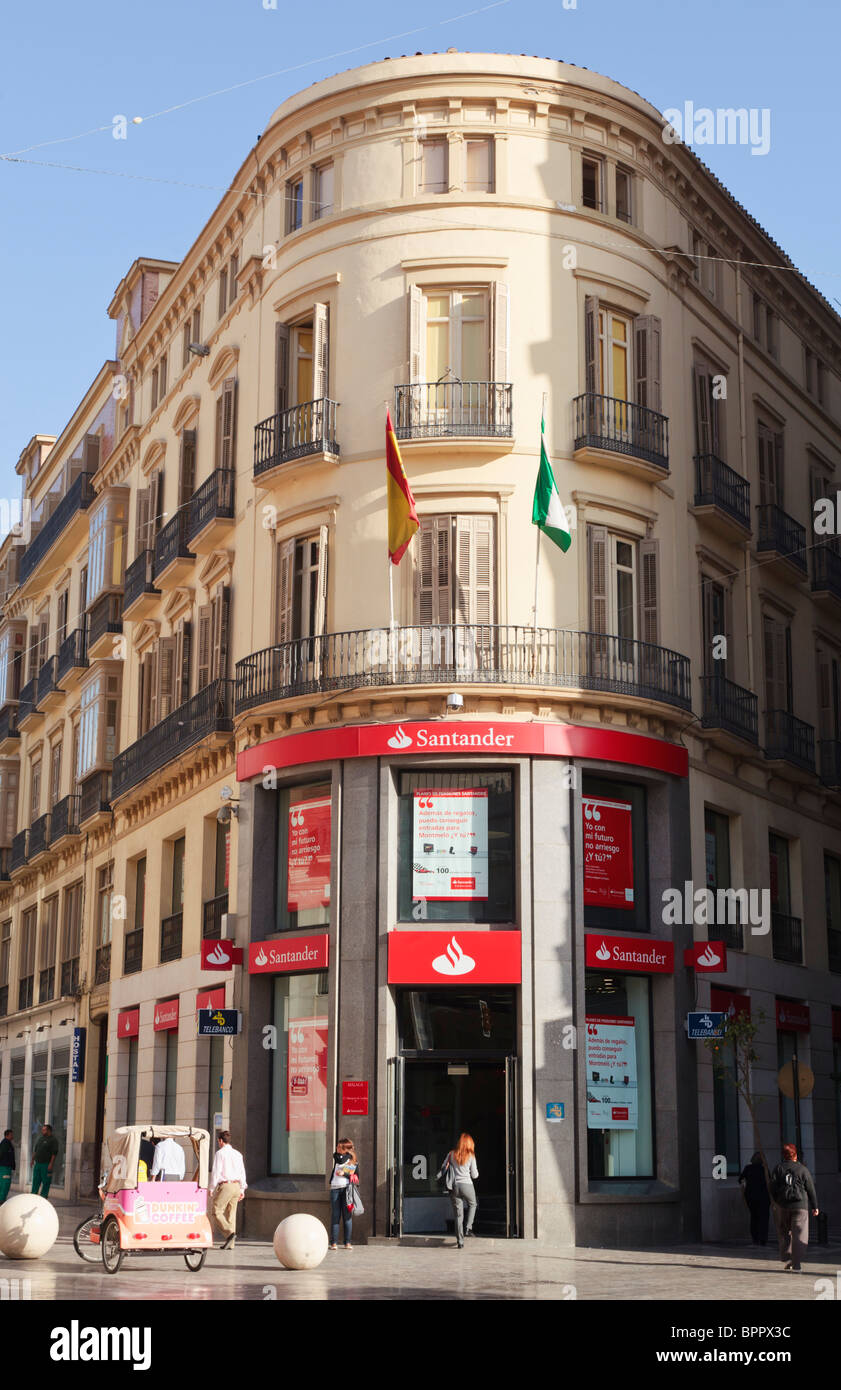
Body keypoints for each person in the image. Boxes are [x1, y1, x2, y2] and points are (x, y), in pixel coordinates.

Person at [770, 1142, 819, 1273]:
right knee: (799, 1235)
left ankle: (786, 1255)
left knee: (784, 1231)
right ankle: (796, 1264)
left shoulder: (778, 1168)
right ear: (795, 1155)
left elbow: (772, 1187)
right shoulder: (803, 1169)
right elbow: (810, 1189)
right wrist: (815, 1206)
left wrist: (776, 1201)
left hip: (783, 1205)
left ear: (784, 1156)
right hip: (800, 1206)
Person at [210, 1131, 248, 1251]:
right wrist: (242, 1188)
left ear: (220, 1141)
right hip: (237, 1185)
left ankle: (229, 1233)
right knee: (231, 1215)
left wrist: (211, 1188)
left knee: (216, 1211)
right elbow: (242, 1172)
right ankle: (231, 1244)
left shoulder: (220, 1153)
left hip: (226, 1185)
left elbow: (216, 1172)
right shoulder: (238, 1154)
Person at [442, 1132, 479, 1249]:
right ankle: (468, 1227)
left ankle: (460, 1242)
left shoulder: (451, 1154)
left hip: (454, 1186)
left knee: (458, 1215)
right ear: (469, 1144)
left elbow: (443, 1167)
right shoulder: (471, 1155)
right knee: (473, 1204)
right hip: (467, 1185)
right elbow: (474, 1175)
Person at [328, 1138, 359, 1250]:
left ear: (345, 1149)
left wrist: (344, 1174)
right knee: (335, 1216)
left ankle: (348, 1242)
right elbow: (338, 1159)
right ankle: (334, 1243)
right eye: (337, 1146)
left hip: (347, 1190)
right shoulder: (337, 1157)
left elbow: (356, 1178)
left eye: (339, 1147)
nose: (336, 1148)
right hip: (335, 1189)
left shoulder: (352, 1161)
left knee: (347, 1217)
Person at [739, 1151, 770, 1246]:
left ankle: (755, 1238)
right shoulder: (764, 1169)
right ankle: (763, 1239)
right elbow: (770, 1182)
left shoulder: (748, 1168)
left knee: (754, 1217)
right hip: (763, 1197)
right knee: (764, 1218)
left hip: (751, 1197)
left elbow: (740, 1180)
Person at [31, 1124, 58, 1197]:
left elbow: (54, 1153)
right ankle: (33, 1195)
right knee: (35, 1181)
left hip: (46, 1164)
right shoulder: (40, 1139)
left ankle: (44, 1196)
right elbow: (35, 1150)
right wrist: (32, 1160)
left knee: (46, 1181)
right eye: (42, 1130)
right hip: (38, 1164)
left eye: (44, 1130)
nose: (42, 1131)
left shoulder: (53, 1140)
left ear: (48, 1130)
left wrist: (51, 1164)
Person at [0, 1129, 15, 1204]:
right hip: (5, 1167)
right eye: (11, 1134)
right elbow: (1, 1153)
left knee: (3, 1184)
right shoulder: (5, 1143)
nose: (13, 1136)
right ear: (7, 1135)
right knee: (5, 1185)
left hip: (6, 1167)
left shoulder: (7, 1143)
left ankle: (2, 1199)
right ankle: (1, 1200)